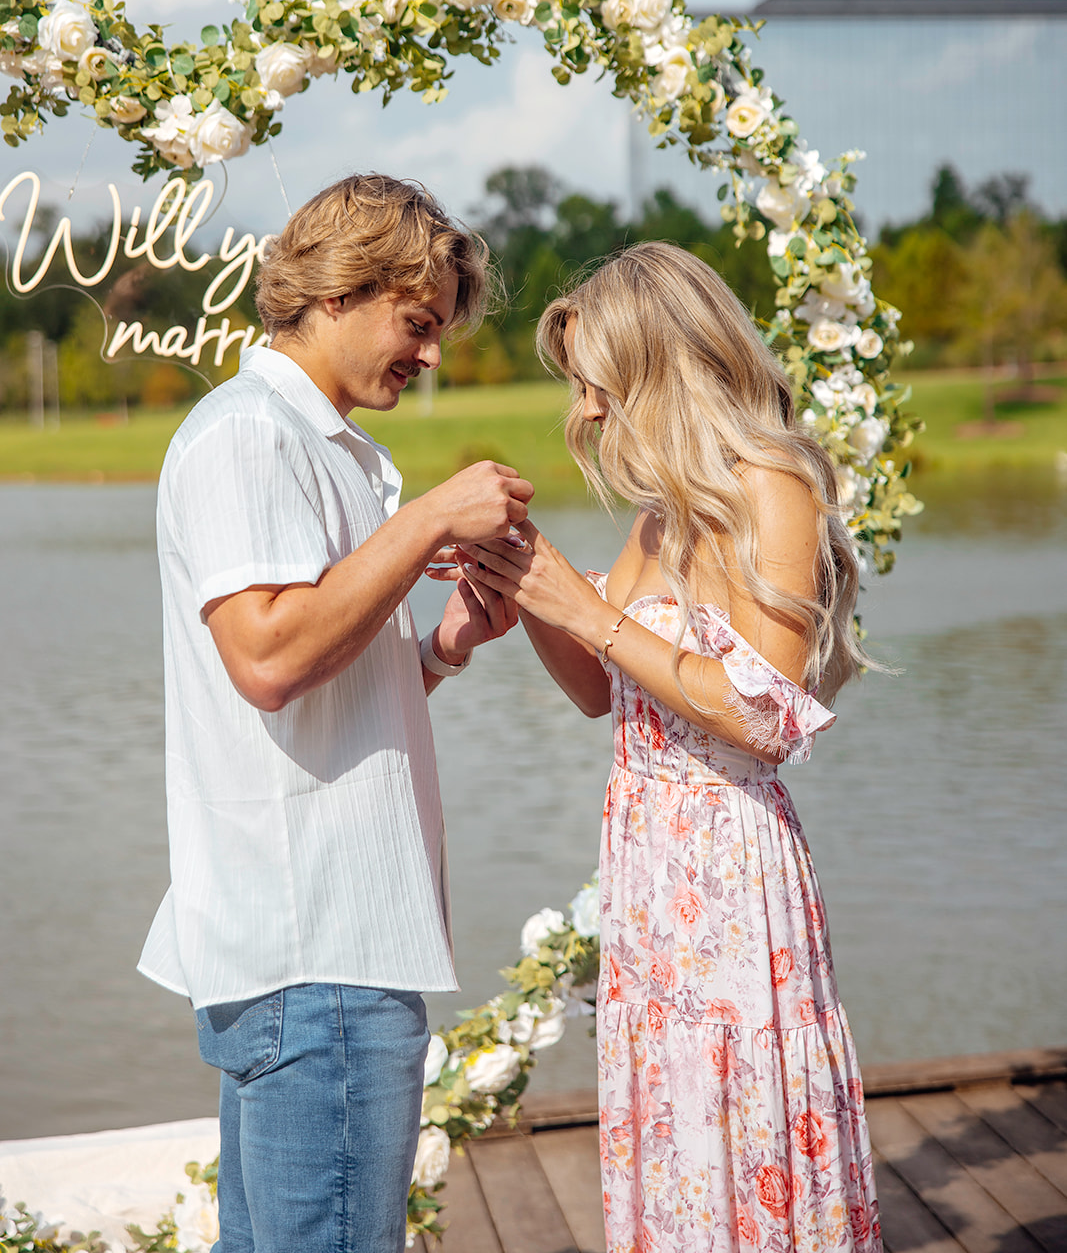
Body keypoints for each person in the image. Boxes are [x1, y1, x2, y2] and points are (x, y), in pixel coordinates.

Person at [456, 243, 883, 1253]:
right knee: (674, 1131)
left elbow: (766, 718)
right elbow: (601, 695)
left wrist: (591, 614)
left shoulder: (771, 487)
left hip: (730, 867)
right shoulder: (659, 518)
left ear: (659, 365)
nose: (587, 413)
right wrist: (526, 586)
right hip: (646, 863)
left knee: (743, 1119)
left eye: (595, 385)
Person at [137, 173, 533, 1253]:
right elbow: (267, 657)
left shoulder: (319, 445)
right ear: (339, 291)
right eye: (417, 323)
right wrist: (428, 522)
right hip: (317, 952)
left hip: (314, 946)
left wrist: (439, 650)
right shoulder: (251, 437)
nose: (433, 353)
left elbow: (313, 672)